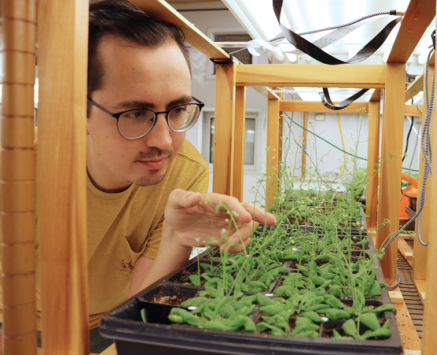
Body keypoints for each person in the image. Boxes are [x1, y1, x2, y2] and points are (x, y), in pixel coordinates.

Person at [0, 0, 275, 353]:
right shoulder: (18, 167)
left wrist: (178, 238)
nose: (163, 141)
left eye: (177, 110)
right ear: (74, 107)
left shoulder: (186, 172)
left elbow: (134, 311)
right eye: (134, 113)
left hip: (105, 323)